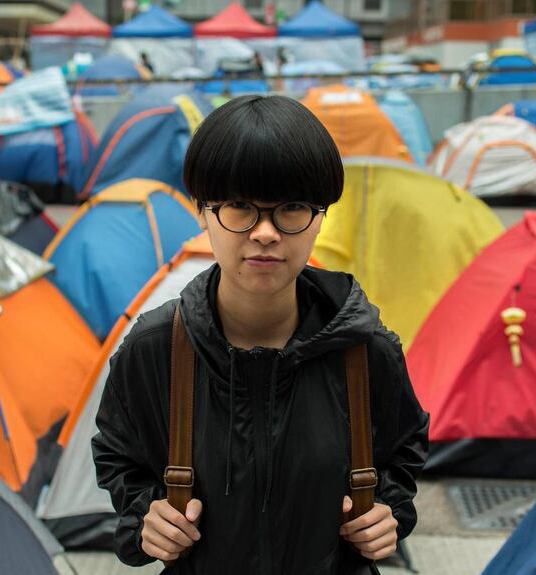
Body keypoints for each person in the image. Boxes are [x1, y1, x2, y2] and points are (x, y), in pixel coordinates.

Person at [92, 95, 430, 574]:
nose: (266, 232)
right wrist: (147, 515)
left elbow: (403, 450)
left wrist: (388, 512)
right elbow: (118, 453)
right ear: (202, 212)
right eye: (238, 206)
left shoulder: (365, 349)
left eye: (291, 207)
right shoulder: (155, 350)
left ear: (321, 215)